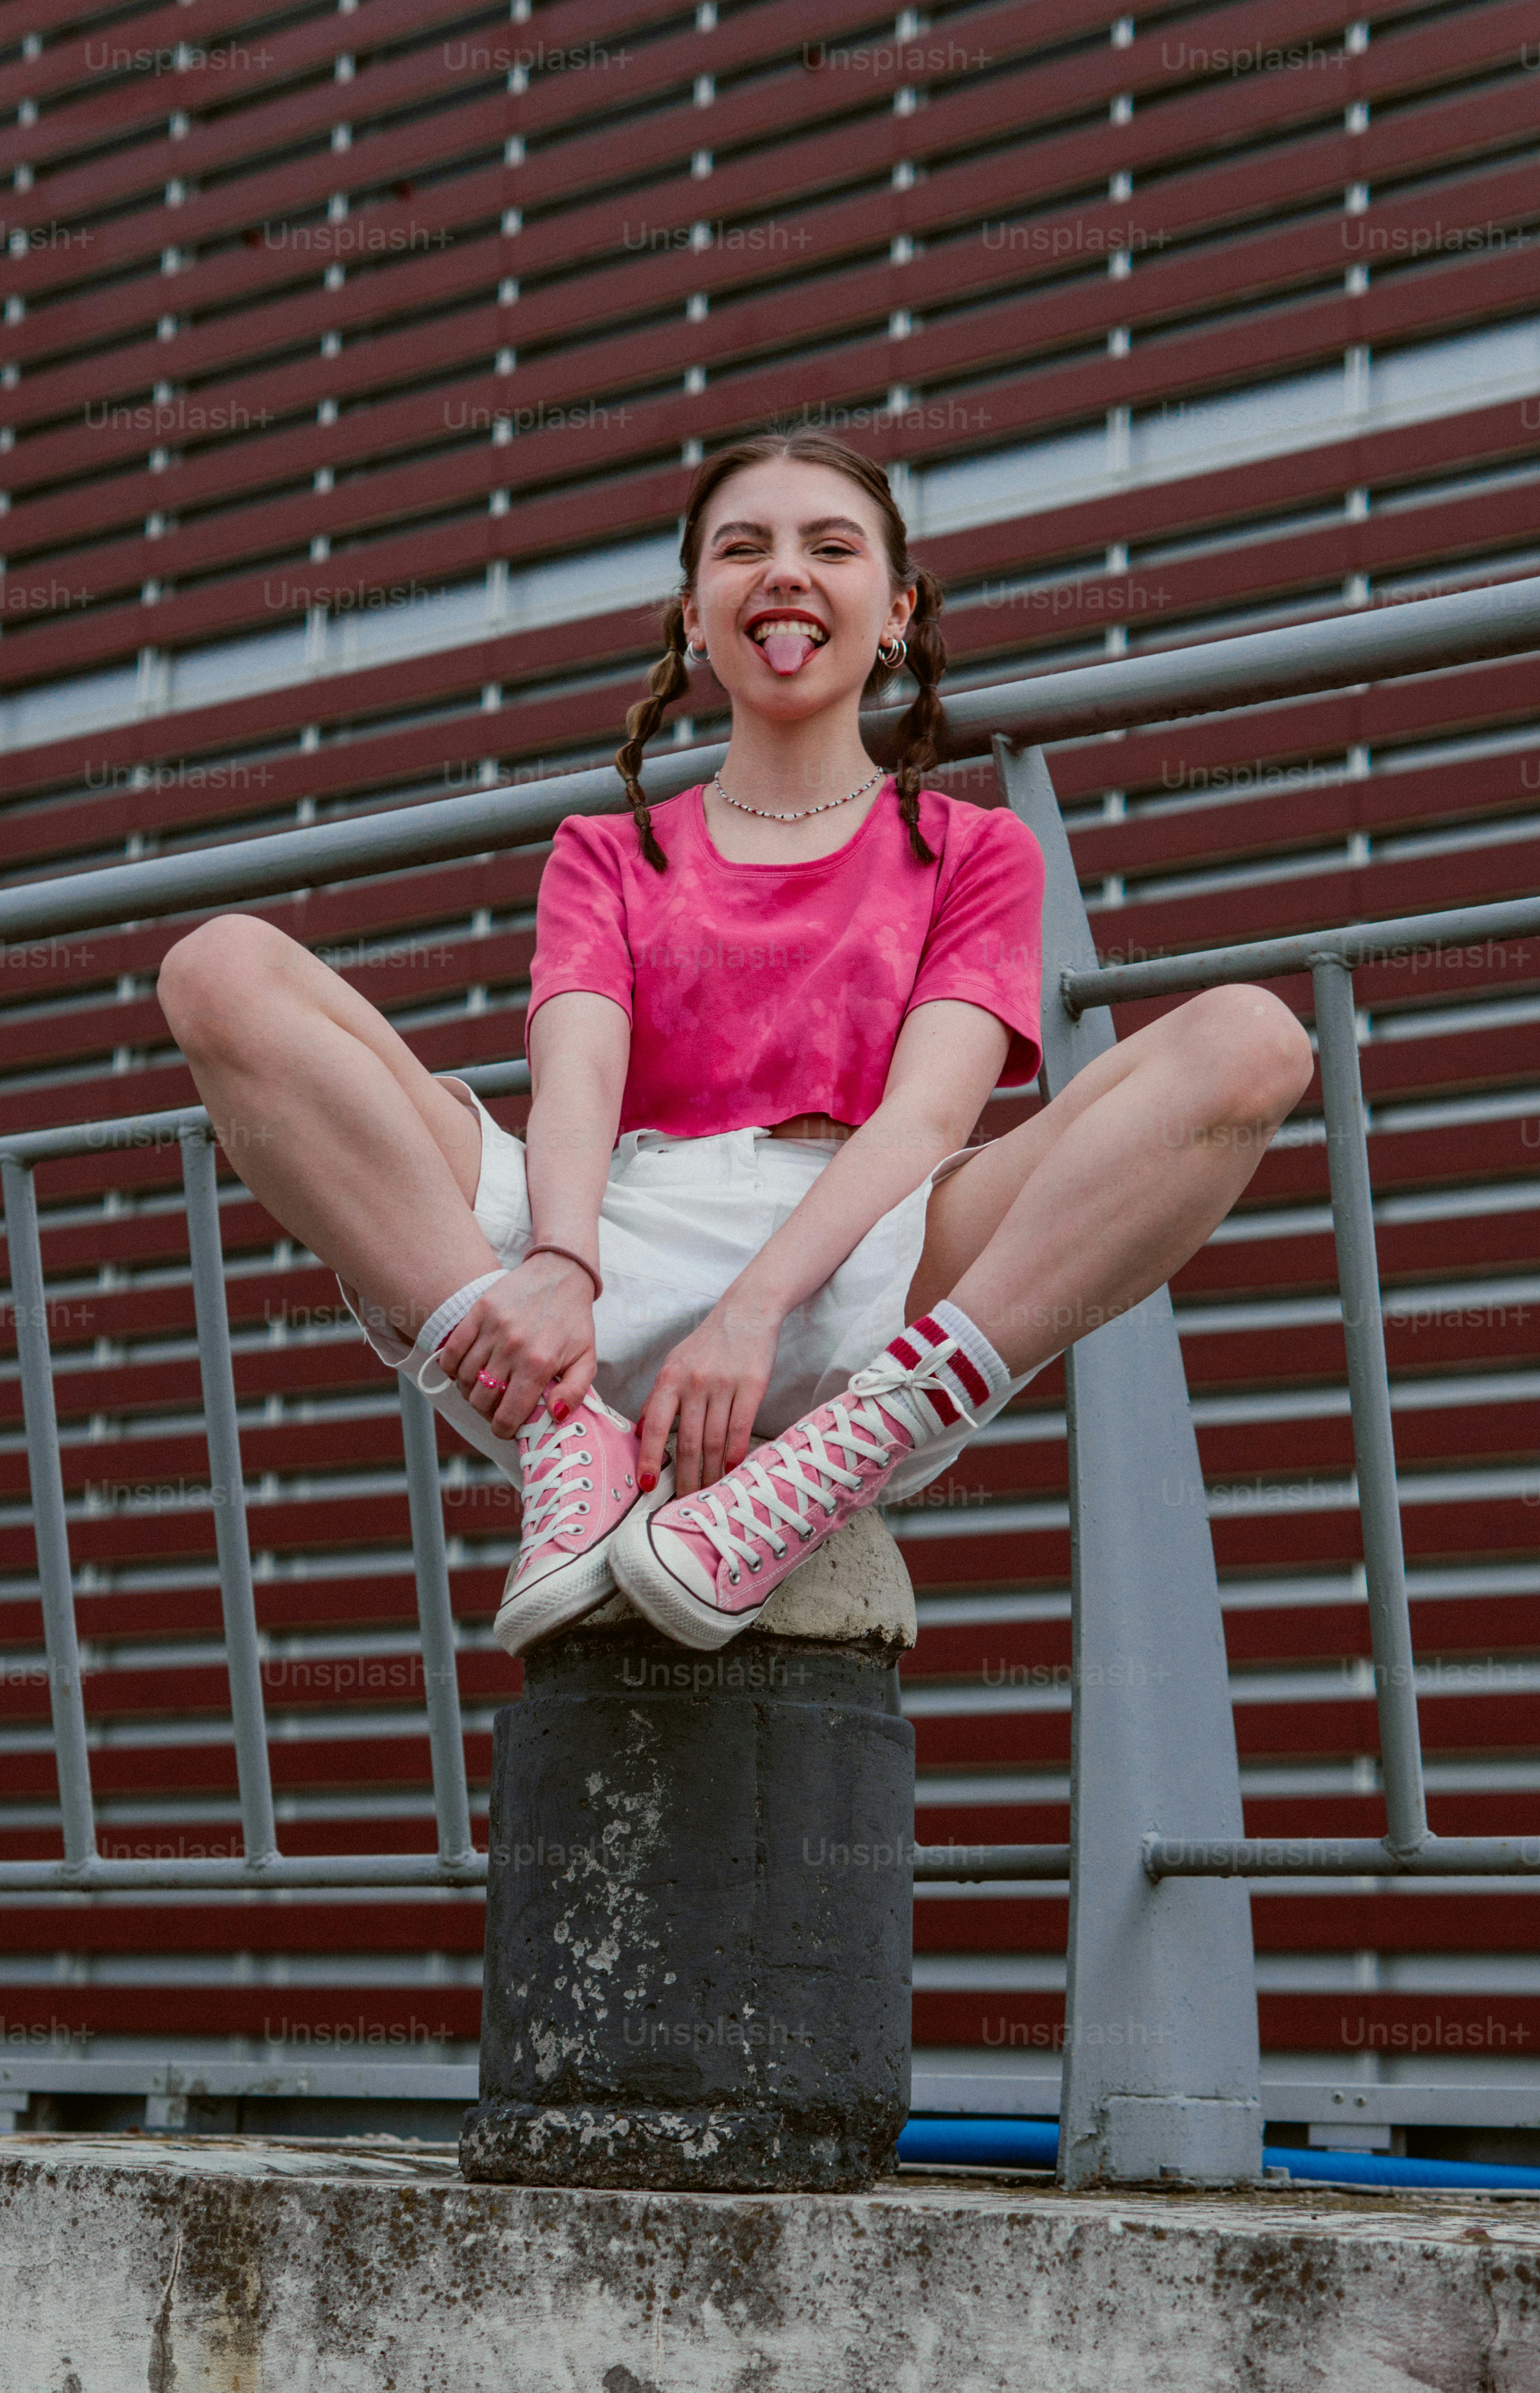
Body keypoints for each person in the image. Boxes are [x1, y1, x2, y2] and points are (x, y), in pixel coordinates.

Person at [157, 427, 1312, 1658]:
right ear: (693, 620)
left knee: (1252, 1040)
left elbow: (927, 1122)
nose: (786, 573)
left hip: (865, 1265)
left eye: (831, 546)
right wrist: (561, 1260)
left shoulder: (973, 852)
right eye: (743, 548)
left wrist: (757, 1307)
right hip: (596, 1251)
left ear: (898, 611)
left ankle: (848, 1451)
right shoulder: (605, 852)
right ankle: (570, 1447)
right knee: (218, 970)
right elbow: (578, 1077)